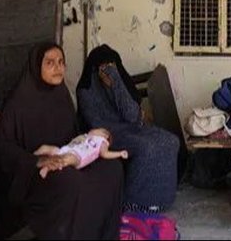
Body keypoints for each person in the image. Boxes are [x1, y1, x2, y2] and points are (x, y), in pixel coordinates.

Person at [0, 42, 123, 240]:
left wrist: (93, 139)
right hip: (34, 173)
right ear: (37, 66)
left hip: (67, 158)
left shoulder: (61, 94)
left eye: (61, 62)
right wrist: (36, 161)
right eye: (50, 63)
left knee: (111, 168)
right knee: (71, 181)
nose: (58, 67)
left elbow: (73, 134)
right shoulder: (17, 104)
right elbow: (2, 149)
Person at [76, 44, 180, 212]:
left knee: (170, 140)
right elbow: (97, 125)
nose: (107, 70)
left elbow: (131, 115)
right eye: (103, 67)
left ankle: (162, 199)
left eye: (111, 66)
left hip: (133, 127)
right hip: (109, 135)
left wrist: (116, 84)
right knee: (147, 147)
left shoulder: (118, 81)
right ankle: (133, 201)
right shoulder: (86, 90)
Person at [35, 128, 128, 179]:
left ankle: (47, 167)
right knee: (45, 148)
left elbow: (105, 154)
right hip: (66, 149)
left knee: (66, 159)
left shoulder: (102, 142)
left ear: (105, 134)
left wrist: (119, 153)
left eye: (98, 129)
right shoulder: (87, 136)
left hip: (78, 157)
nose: (94, 129)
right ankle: (32, 157)